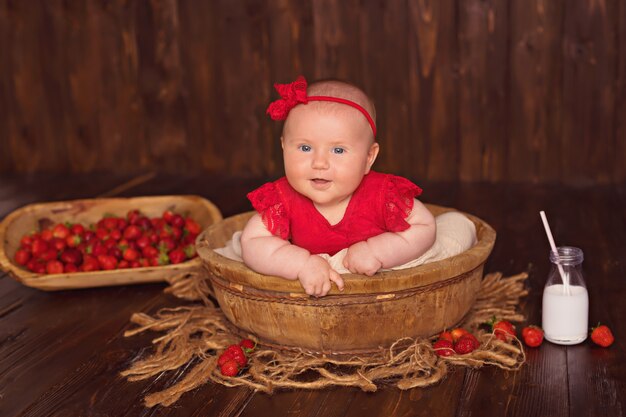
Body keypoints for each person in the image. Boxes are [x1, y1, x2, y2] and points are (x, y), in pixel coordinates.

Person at [240, 76, 436, 297]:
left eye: (338, 150)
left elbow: (424, 226)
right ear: (284, 147)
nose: (320, 163)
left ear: (369, 157)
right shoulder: (282, 199)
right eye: (305, 148)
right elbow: (252, 242)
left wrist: (378, 250)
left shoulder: (383, 194)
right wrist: (301, 264)